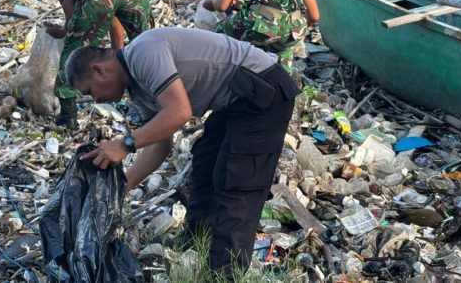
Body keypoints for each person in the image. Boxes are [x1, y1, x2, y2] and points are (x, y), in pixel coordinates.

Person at [66, 27, 300, 278]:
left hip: (263, 89)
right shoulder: (137, 89)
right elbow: (161, 143)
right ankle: (195, 242)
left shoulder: (143, 53)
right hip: (234, 99)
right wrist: (122, 188)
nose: (95, 99)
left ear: (99, 70)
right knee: (206, 164)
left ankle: (224, 273)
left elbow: (179, 112)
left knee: (237, 182)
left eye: (90, 92)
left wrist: (124, 145)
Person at [44, 0, 151, 130]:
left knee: (75, 48)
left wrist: (62, 32)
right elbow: (115, 22)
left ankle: (67, 115)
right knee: (145, 47)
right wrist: (119, 58)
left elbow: (73, 26)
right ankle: (149, 106)